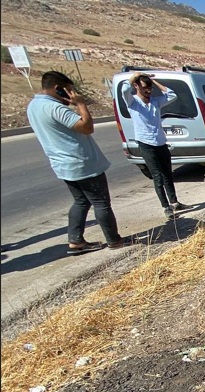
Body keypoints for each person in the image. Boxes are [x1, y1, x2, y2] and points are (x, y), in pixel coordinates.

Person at [27, 71, 126, 255]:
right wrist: (80, 104)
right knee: (101, 202)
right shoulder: (54, 108)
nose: (72, 95)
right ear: (59, 89)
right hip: (81, 163)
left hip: (63, 165)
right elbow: (87, 127)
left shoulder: (34, 105)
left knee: (81, 201)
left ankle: (76, 240)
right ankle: (114, 240)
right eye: (69, 91)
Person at [121, 72, 189, 220]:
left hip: (160, 142)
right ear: (136, 86)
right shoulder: (132, 102)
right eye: (145, 88)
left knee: (167, 174)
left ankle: (174, 202)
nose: (149, 91)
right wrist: (136, 75)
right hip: (146, 144)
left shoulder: (155, 102)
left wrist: (154, 81)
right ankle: (166, 207)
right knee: (157, 177)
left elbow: (172, 95)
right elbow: (124, 89)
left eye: (150, 88)